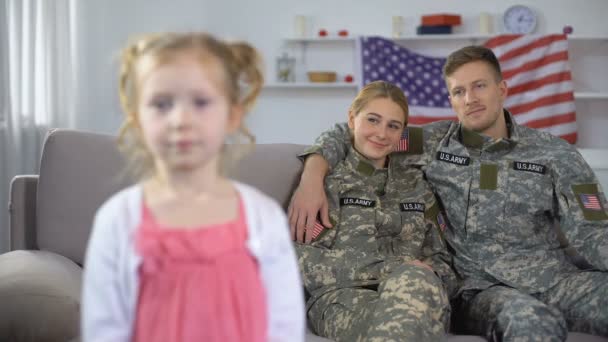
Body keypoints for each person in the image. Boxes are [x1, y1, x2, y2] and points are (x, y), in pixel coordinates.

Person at [289, 45, 608, 340]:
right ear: (451, 100)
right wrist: (313, 174)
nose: (470, 98)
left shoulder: (556, 153)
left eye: (479, 86)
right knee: (532, 322)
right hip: (483, 290)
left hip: (554, 279)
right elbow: (356, 134)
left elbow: (594, 231)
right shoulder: (430, 142)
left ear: (502, 89)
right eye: (459, 91)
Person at [81, 32, 305, 342]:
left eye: (201, 102)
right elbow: (104, 330)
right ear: (137, 121)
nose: (180, 119)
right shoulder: (118, 219)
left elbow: (286, 327)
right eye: (161, 104)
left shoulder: (264, 218)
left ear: (232, 116)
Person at [296, 81, 456, 341]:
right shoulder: (326, 184)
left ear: (402, 132)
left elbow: (442, 262)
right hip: (345, 298)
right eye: (373, 120)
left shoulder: (417, 185)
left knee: (413, 288)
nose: (382, 134)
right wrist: (393, 268)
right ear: (352, 118)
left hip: (417, 292)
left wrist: (422, 275)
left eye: (393, 126)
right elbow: (304, 262)